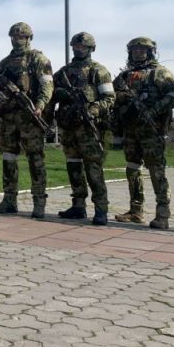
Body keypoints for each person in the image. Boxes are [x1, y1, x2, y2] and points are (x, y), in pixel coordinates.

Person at [0, 22, 53, 219]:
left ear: (28, 38)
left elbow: (47, 85)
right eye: (14, 37)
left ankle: (39, 202)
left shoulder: (38, 59)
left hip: (30, 117)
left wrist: (40, 105)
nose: (17, 40)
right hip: (9, 117)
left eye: (22, 37)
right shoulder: (5, 63)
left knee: (35, 159)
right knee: (9, 157)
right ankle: (9, 200)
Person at [111, 37, 174, 229]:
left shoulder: (159, 72)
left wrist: (153, 111)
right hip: (131, 129)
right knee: (132, 168)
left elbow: (171, 97)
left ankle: (162, 213)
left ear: (150, 52)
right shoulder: (124, 76)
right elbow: (112, 95)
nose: (138, 53)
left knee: (156, 170)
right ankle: (135, 210)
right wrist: (122, 98)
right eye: (135, 50)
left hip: (151, 129)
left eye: (142, 50)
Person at [52, 32, 115, 225]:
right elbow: (51, 93)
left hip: (89, 127)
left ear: (90, 48)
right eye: (75, 46)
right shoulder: (64, 72)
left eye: (82, 46)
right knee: (73, 165)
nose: (78, 49)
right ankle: (78, 205)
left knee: (93, 168)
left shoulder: (99, 71)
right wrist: (60, 93)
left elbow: (109, 98)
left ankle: (101, 208)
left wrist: (93, 110)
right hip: (69, 127)